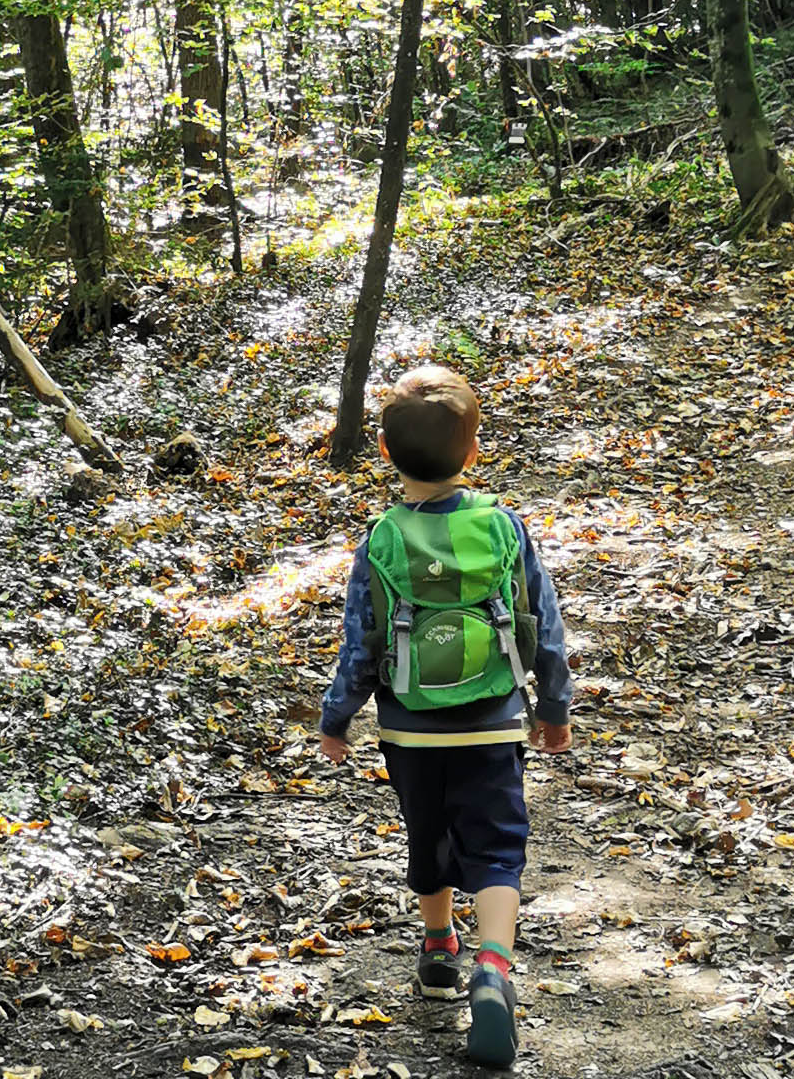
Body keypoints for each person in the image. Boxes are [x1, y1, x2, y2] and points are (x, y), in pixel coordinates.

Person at [319, 365, 572, 1068]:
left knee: (428, 835)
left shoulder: (381, 539)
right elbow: (541, 624)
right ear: (473, 452)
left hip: (411, 727)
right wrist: (553, 704)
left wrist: (337, 717)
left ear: (382, 451)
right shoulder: (502, 526)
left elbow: (362, 642)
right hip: (493, 718)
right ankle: (494, 967)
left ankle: (438, 953)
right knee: (496, 845)